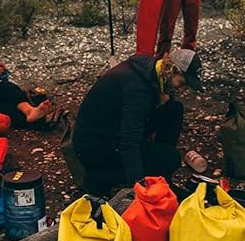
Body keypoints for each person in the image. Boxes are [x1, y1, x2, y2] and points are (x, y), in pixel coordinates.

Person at [73, 48, 203, 194]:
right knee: (171, 159)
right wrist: (139, 186)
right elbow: (129, 140)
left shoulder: (150, 70)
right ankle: (102, 178)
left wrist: (160, 101)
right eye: (182, 83)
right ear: (172, 70)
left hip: (111, 130)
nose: (182, 88)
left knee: (173, 109)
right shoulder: (138, 90)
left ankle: (160, 175)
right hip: (95, 147)